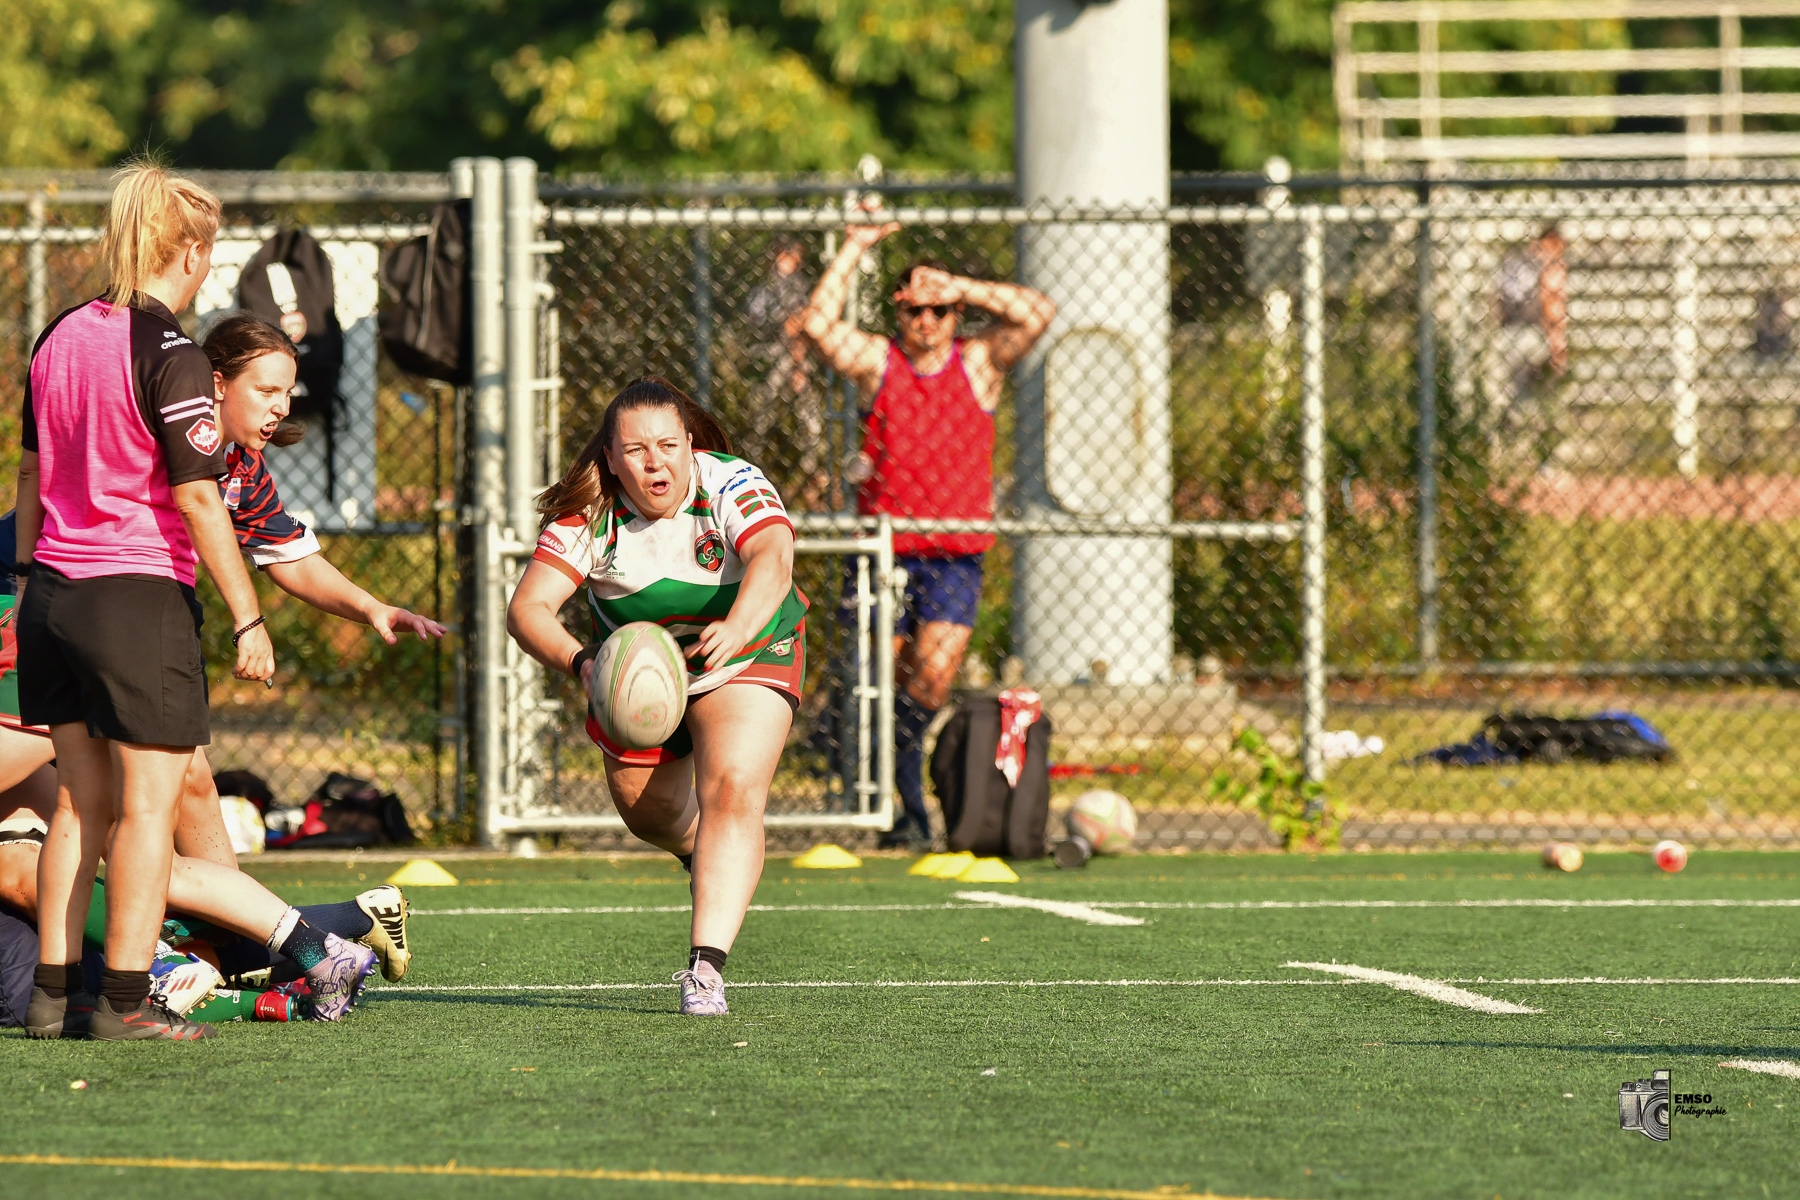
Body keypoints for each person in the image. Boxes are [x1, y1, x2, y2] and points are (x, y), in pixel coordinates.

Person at [16, 164, 363, 1042]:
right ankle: (125, 1008)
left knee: (78, 809)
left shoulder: (56, 336)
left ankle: (57, 1000)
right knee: (144, 811)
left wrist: (26, 584)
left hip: (50, 593)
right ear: (194, 251)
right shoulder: (170, 353)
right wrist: (248, 617)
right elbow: (202, 499)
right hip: (134, 598)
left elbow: (28, 475)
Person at [507, 377, 806, 1016]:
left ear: (690, 445)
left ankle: (704, 969)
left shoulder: (731, 482)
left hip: (747, 651)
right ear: (610, 458)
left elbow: (774, 559)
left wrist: (738, 624)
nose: (654, 462)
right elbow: (528, 608)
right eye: (636, 450)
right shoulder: (589, 512)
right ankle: (717, 850)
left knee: (731, 789)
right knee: (645, 811)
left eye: (668, 445)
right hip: (636, 670)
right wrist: (580, 661)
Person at [800, 223, 1056, 848]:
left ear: (955, 313)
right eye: (915, 308)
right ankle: (901, 807)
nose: (927, 320)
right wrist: (857, 246)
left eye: (939, 309)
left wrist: (960, 283)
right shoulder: (879, 363)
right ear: (899, 313)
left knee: (932, 681)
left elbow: (1038, 313)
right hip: (882, 553)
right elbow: (816, 324)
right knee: (877, 676)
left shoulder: (977, 363)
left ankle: (900, 783)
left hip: (952, 555)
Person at [1484, 223, 1568, 466]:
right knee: (1544, 398)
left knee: (1509, 397)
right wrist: (1557, 343)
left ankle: (1501, 455)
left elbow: (1495, 301)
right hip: (1534, 335)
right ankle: (1545, 461)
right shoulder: (1549, 264)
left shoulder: (1512, 262)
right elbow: (1551, 302)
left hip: (1505, 335)